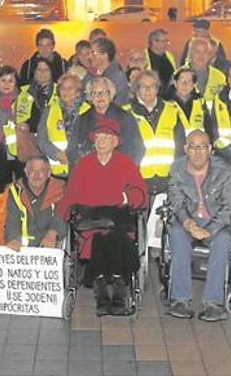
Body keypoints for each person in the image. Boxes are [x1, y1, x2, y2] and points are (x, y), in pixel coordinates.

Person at [57, 118, 149, 316]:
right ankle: (103, 296)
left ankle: (118, 294)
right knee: (100, 237)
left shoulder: (126, 164)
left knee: (113, 237)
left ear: (115, 142)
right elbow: (70, 196)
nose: (102, 141)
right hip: (90, 226)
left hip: (118, 224)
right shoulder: (83, 164)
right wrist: (56, 225)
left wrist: (123, 197)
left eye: (107, 137)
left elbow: (141, 195)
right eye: (98, 137)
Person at [166, 130, 231, 322]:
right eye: (193, 147)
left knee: (223, 240)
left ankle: (214, 302)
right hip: (188, 219)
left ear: (210, 150)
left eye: (202, 147)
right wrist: (188, 222)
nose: (198, 152)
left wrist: (210, 229)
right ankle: (180, 299)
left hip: (214, 220)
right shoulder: (176, 169)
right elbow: (176, 202)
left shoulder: (226, 170)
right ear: (185, 149)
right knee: (176, 233)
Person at [127, 71, 184, 194]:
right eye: (143, 86)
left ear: (157, 89)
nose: (148, 90)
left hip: (168, 178)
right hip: (138, 178)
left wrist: (177, 173)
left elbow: (180, 145)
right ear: (137, 89)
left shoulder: (172, 110)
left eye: (152, 86)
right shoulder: (127, 113)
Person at [68, 75, 144, 166]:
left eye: (104, 92)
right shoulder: (82, 120)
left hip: (119, 171)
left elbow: (138, 149)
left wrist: (128, 170)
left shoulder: (125, 117)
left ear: (111, 94)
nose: (100, 97)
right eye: (95, 93)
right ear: (90, 97)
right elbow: (71, 150)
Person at [4, 155, 66, 249]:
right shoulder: (15, 191)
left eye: (41, 171)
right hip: (22, 251)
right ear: (26, 172)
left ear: (49, 173)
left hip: (52, 249)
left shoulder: (60, 189)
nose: (36, 175)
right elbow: (11, 221)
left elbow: (62, 216)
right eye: (32, 170)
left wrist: (53, 232)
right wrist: (13, 239)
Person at [37, 73, 88, 178]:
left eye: (70, 88)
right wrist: (57, 154)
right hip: (56, 172)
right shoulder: (49, 110)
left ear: (78, 92)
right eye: (63, 88)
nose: (66, 91)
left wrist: (73, 156)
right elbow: (41, 138)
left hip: (82, 170)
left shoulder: (88, 111)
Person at [169, 67, 212, 138]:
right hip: (174, 147)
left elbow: (209, 128)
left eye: (189, 81)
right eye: (181, 81)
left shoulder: (201, 103)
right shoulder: (166, 103)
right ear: (175, 83)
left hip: (196, 147)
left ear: (194, 85)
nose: (185, 84)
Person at [18, 57, 57, 133]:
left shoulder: (61, 91)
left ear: (51, 72)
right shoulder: (21, 91)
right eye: (39, 70)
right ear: (34, 72)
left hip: (52, 137)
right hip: (28, 137)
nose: (43, 73)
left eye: (46, 70)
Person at [87, 38, 130, 106]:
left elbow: (120, 105)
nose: (89, 57)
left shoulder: (118, 78)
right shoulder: (90, 75)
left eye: (93, 53)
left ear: (105, 55)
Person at [185, 38, 226, 102]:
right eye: (197, 52)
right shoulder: (178, 75)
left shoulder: (219, 77)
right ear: (190, 54)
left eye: (205, 52)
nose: (201, 55)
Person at [144, 29, 176, 94]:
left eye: (167, 41)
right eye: (164, 41)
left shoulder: (169, 56)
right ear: (154, 42)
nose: (166, 44)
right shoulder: (144, 56)